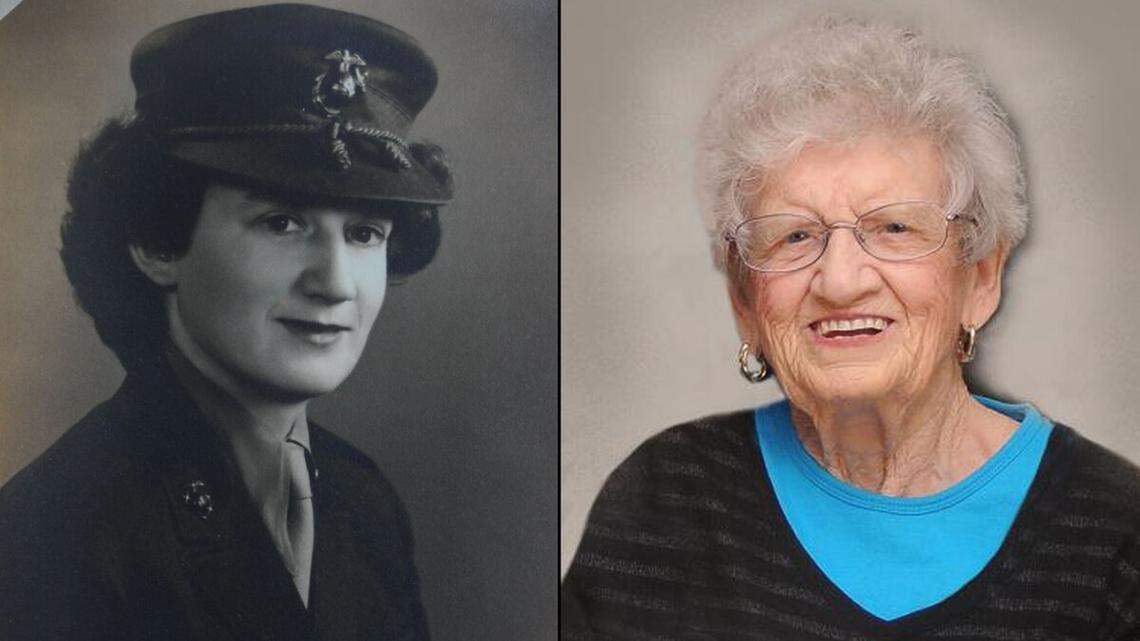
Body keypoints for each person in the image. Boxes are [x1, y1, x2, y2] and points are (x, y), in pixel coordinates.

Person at [561, 15, 1140, 639]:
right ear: (744, 298)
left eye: (894, 228)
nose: (840, 280)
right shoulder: (665, 502)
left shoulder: (1113, 532)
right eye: (794, 235)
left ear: (979, 278)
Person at [0, 4, 452, 640]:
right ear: (158, 242)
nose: (335, 283)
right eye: (281, 223)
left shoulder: (365, 503)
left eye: (363, 233)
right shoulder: (55, 528)